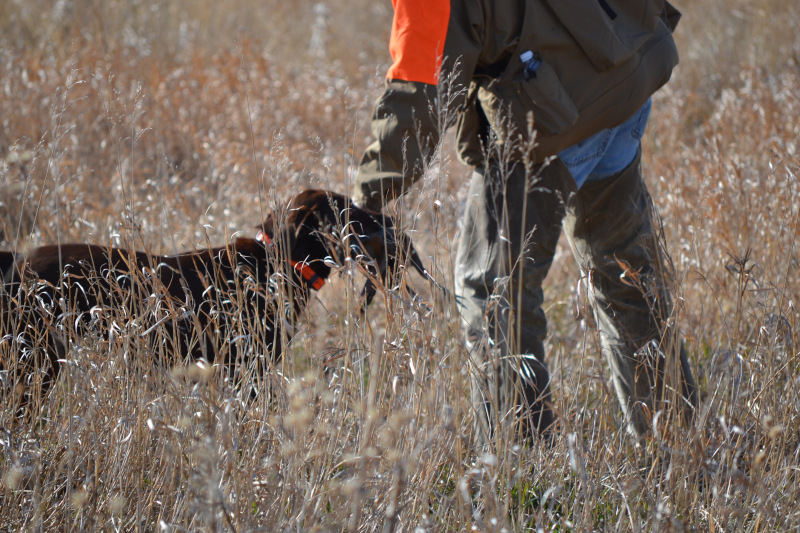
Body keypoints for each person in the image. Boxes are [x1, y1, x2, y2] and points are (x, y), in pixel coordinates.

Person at [353, 0, 698, 445]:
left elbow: (419, 98)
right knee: (627, 274)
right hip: (628, 65)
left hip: (563, 106)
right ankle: (682, 447)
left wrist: (363, 203)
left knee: (495, 289)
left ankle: (521, 470)